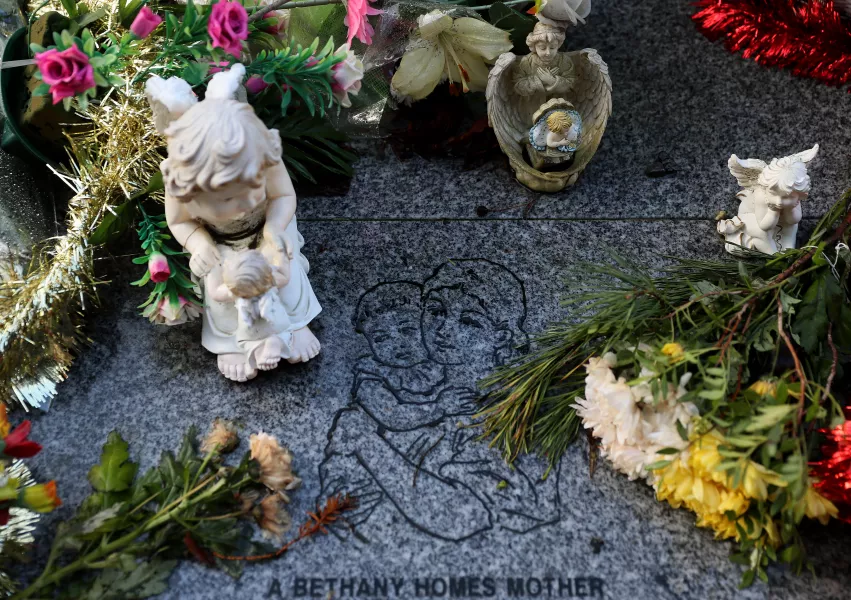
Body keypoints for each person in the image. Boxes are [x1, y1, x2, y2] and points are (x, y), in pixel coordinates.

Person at [161, 94, 321, 381]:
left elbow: (283, 196)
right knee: (220, 288)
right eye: (223, 201)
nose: (240, 209)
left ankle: (293, 325)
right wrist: (199, 244)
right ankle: (231, 341)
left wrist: (273, 228)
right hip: (218, 241)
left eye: (251, 192)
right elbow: (179, 221)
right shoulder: (180, 183)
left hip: (265, 227)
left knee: (283, 268)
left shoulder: (262, 157)